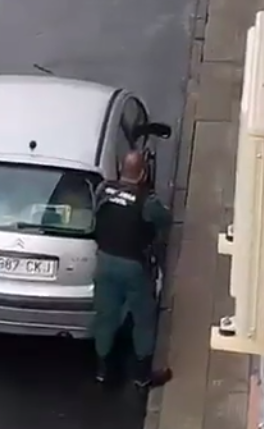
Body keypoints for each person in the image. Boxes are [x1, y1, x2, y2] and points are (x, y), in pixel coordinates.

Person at [90, 151, 174, 391]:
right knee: (143, 318)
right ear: (143, 174)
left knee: (105, 316)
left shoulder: (103, 190)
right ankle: (142, 375)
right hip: (134, 266)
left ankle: (103, 370)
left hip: (104, 261)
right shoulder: (145, 201)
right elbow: (165, 220)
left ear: (121, 169)